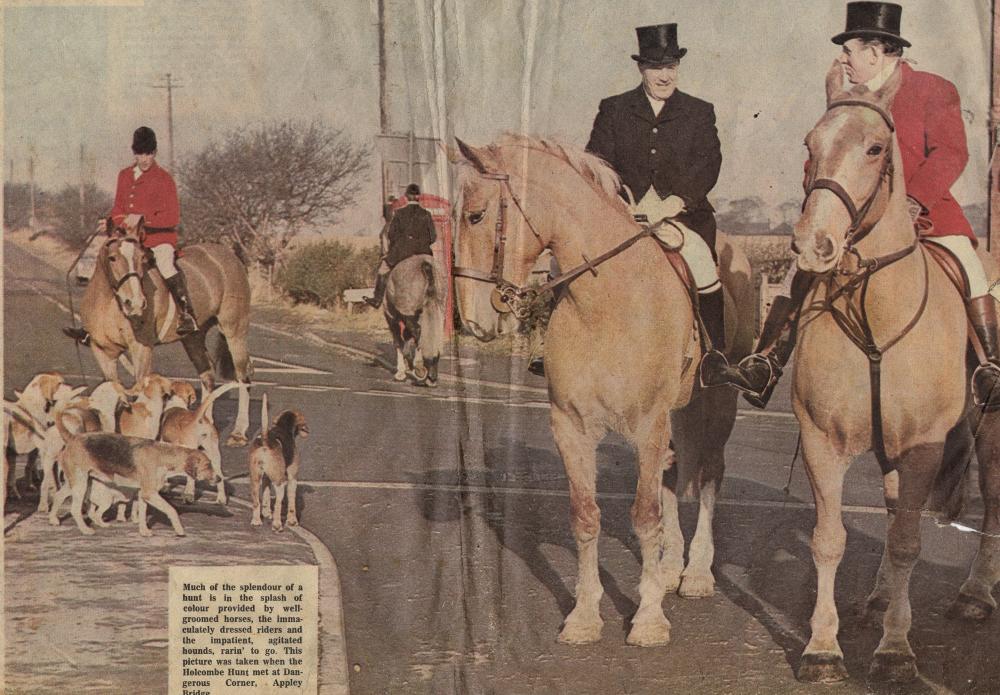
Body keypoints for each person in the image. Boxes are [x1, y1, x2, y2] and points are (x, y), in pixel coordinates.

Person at [714, 1, 1000, 410]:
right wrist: (823, 202)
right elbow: (819, 160)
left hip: (928, 216)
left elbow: (951, 153)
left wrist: (915, 199)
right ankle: (767, 361)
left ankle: (991, 367)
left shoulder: (933, 89)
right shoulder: (844, 101)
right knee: (802, 267)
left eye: (848, 50)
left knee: (971, 268)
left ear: (874, 52)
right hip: (850, 223)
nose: (843, 58)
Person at [585, 23, 730, 385]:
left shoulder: (699, 112)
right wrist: (622, 202)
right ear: (641, 69)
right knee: (573, 259)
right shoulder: (614, 109)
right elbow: (596, 163)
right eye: (655, 67)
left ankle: (716, 356)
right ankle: (556, 345)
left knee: (699, 260)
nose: (664, 75)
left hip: (682, 216)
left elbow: (708, 163)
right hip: (624, 216)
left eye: (671, 67)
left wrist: (676, 200)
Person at [64, 126, 197, 343]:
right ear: (134, 153)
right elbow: (118, 209)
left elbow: (172, 217)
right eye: (140, 154)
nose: (144, 159)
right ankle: (91, 326)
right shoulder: (124, 175)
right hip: (128, 238)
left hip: (158, 239)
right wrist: (114, 221)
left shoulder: (164, 179)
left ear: (154, 153)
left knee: (165, 265)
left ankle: (186, 314)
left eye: (148, 154)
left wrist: (142, 218)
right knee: (107, 261)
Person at [366, 183, 437, 308]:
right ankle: (432, 287)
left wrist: (398, 246)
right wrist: (422, 244)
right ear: (419, 197)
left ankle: (377, 299)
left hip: (403, 252)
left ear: (407, 197)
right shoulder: (427, 214)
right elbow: (433, 237)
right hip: (424, 252)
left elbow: (392, 235)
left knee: (383, 268)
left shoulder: (399, 213)